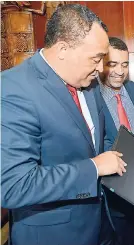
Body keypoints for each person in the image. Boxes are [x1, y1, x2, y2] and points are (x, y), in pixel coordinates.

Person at [1, 4, 126, 245]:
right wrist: (94, 168)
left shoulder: (88, 82)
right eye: (96, 58)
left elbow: (96, 141)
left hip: (101, 224)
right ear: (63, 49)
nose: (101, 68)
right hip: (55, 235)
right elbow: (13, 186)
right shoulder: (13, 89)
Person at [99, 37, 134, 245]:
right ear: (101, 63)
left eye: (125, 64)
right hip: (110, 195)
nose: (120, 71)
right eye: (112, 64)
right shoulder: (91, 95)